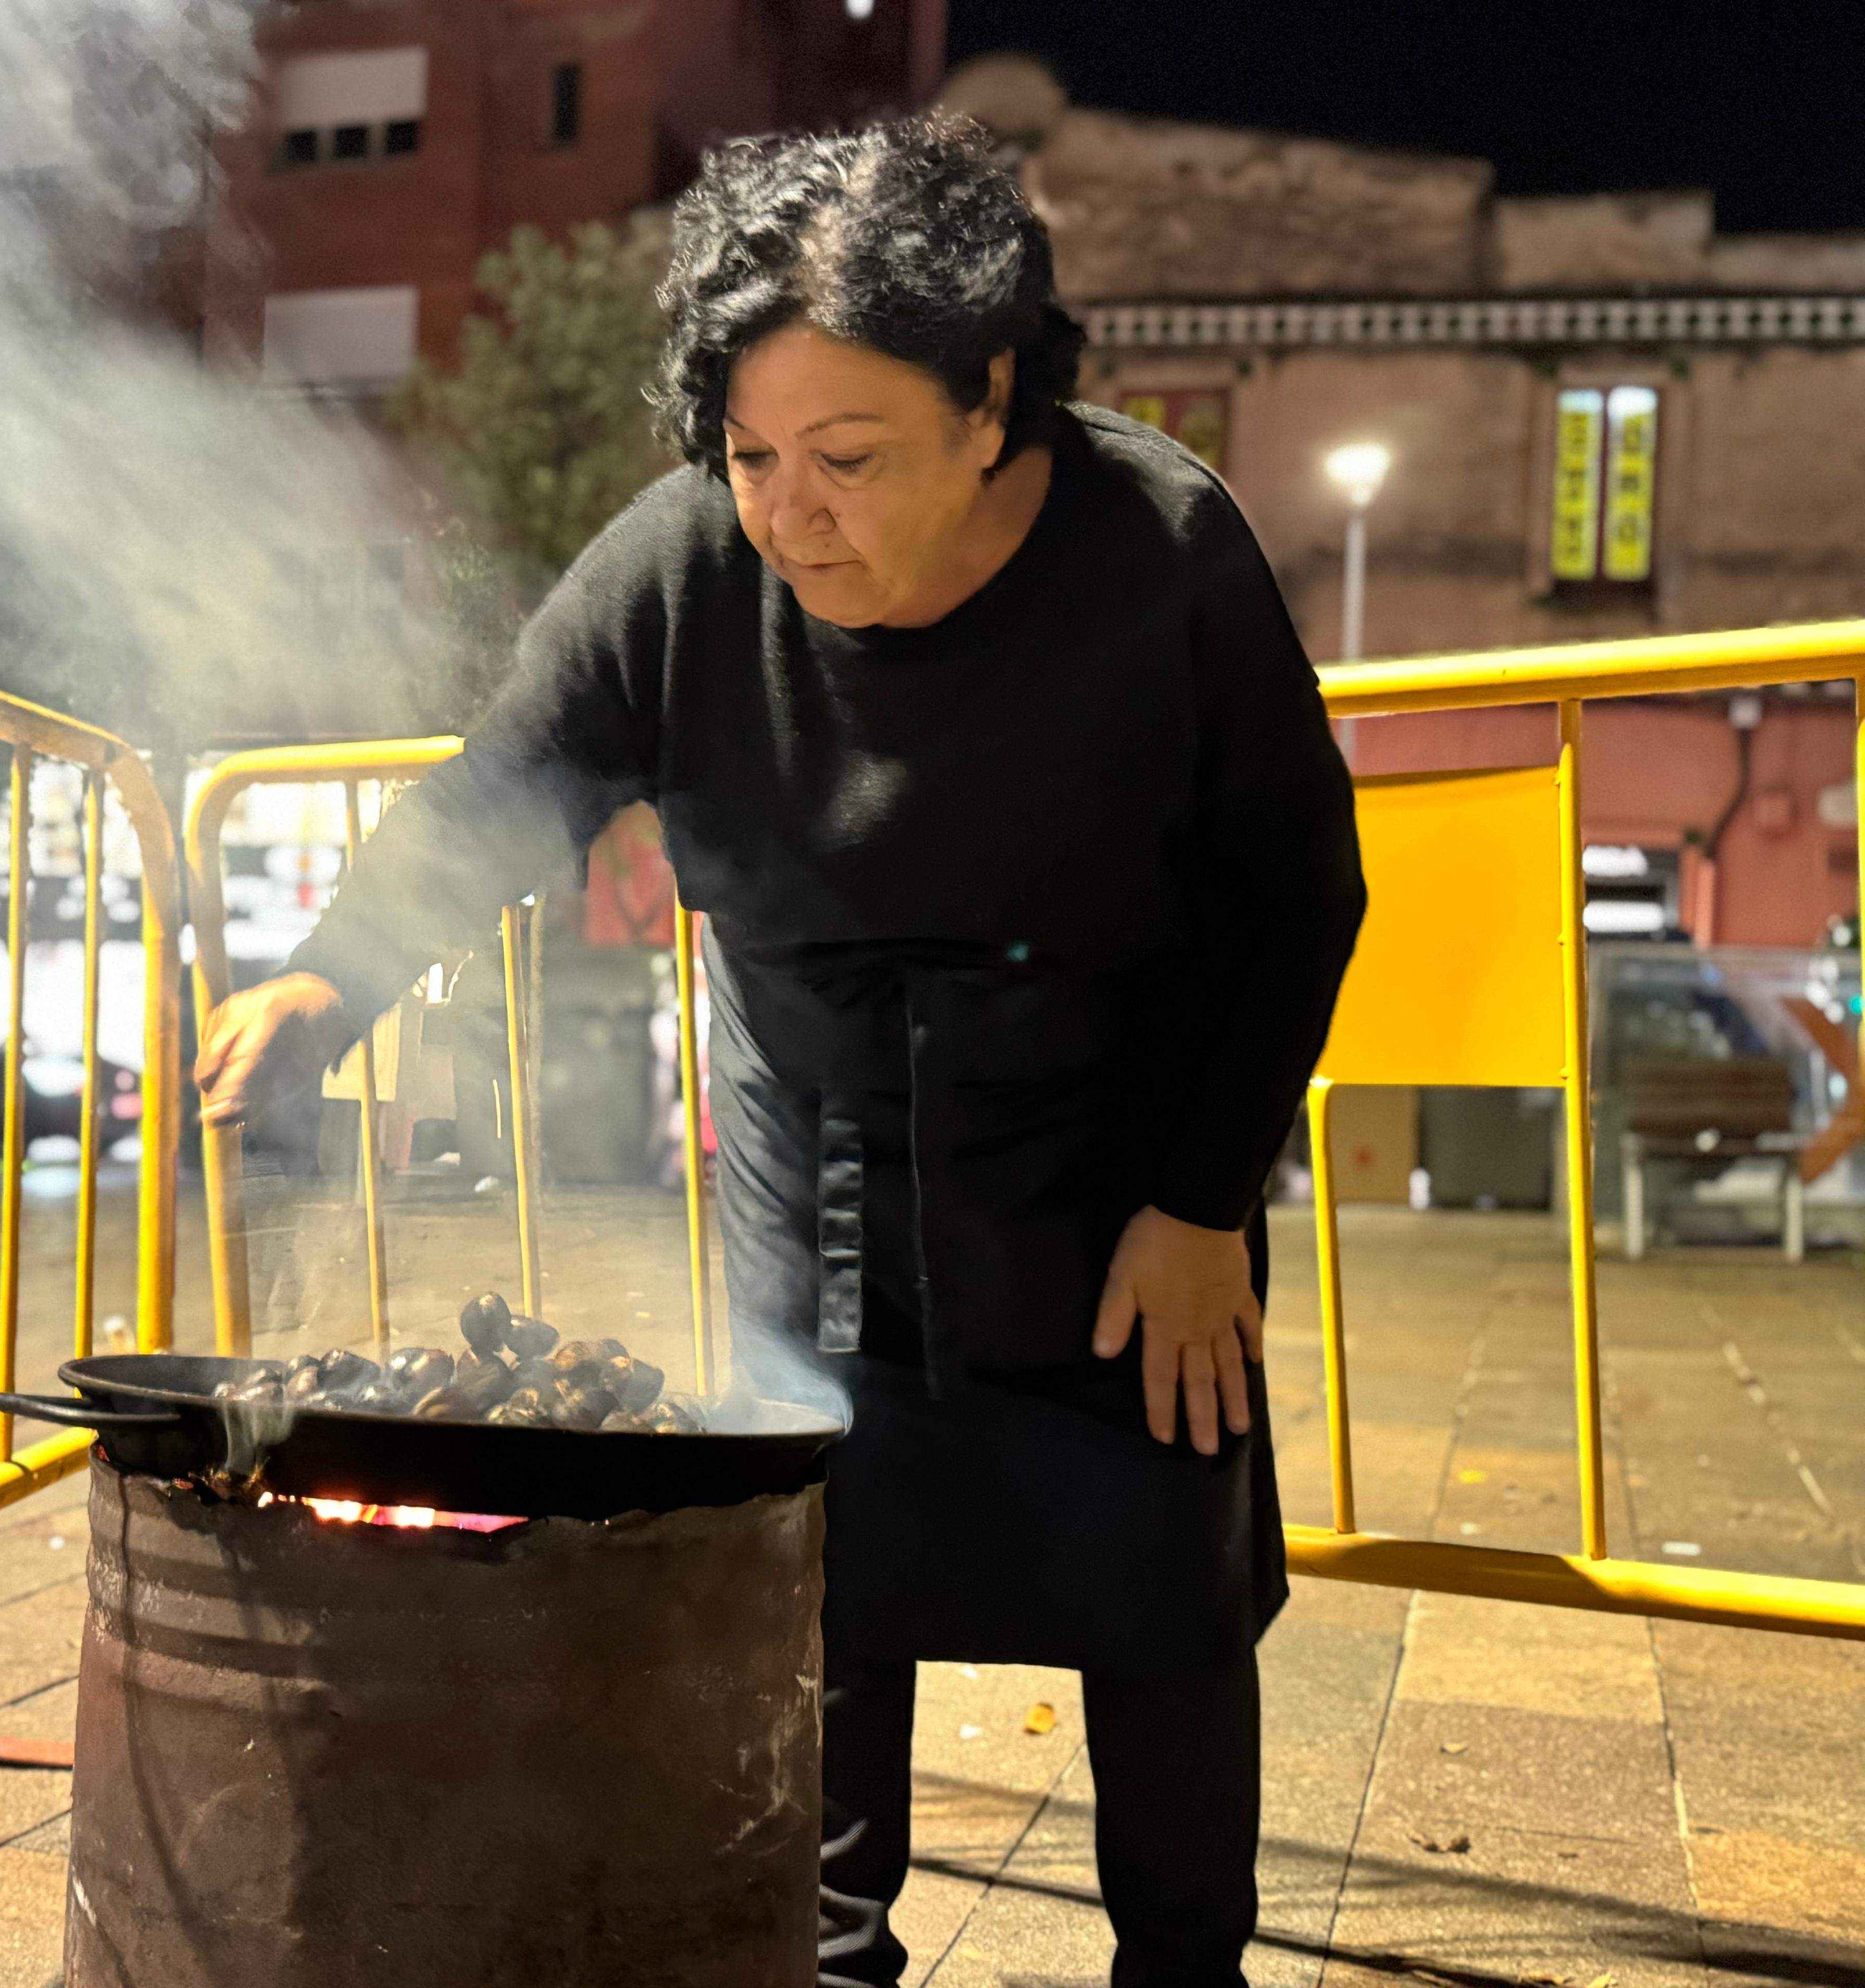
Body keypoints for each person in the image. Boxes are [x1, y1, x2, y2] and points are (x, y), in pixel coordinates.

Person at [196, 116, 1365, 1988]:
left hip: (1112, 1159)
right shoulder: (682, 575)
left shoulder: (1158, 552)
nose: (788, 512)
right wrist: (328, 983)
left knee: (1156, 1586)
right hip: (814, 1143)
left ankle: (1184, 1967)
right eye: (749, 456)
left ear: (991, 402)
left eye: (848, 457)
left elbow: (1293, 890)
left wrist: (1199, 1195)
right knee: (815, 1574)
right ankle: (822, 1962)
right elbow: (509, 786)